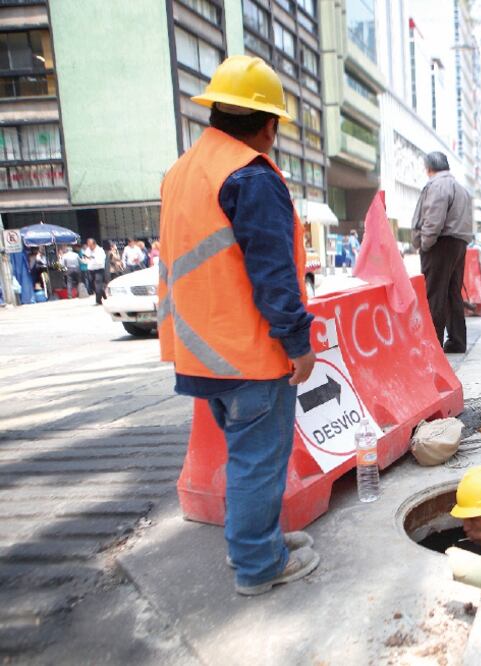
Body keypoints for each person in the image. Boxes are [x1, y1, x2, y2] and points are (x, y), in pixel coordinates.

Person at [158, 55, 320, 596]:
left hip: (199, 354)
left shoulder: (183, 172)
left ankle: (259, 542)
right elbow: (273, 274)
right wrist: (299, 343)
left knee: (245, 458)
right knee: (258, 462)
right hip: (250, 356)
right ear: (268, 123)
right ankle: (257, 565)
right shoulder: (250, 176)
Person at [411, 150, 474, 353]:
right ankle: (457, 340)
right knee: (452, 292)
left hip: (441, 243)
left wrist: (425, 244)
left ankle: (433, 344)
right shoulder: (461, 188)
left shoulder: (437, 185)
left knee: (435, 293)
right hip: (458, 243)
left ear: (429, 168)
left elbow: (433, 219)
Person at [81, 238, 107, 305]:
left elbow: (100, 261)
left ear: (94, 244)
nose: (89, 247)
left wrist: (93, 258)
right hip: (91, 269)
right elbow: (85, 259)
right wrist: (85, 260)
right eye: (88, 245)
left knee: (98, 285)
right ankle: (102, 292)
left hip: (99, 270)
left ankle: (98, 300)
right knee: (93, 286)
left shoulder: (100, 250)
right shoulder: (88, 250)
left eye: (90, 245)